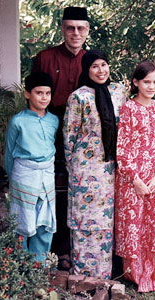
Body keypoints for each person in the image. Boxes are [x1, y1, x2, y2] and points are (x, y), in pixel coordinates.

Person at [32, 7, 90, 267]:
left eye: (80, 28)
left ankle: (70, 249)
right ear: (62, 29)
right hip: (50, 129)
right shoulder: (45, 58)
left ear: (87, 30)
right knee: (50, 188)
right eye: (70, 27)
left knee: (76, 189)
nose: (75, 33)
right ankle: (47, 247)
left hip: (84, 134)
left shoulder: (93, 61)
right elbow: (34, 98)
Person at [63, 49, 127, 279]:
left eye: (104, 64)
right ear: (86, 70)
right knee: (83, 222)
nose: (101, 71)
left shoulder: (119, 92)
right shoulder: (78, 97)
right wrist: (74, 168)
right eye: (94, 66)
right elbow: (69, 136)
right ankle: (82, 275)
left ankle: (103, 277)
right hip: (84, 171)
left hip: (110, 169)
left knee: (105, 222)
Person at [115, 61, 155, 292]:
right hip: (132, 179)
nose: (151, 86)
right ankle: (135, 274)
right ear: (136, 82)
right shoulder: (127, 108)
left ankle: (154, 273)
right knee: (134, 225)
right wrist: (134, 180)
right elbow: (121, 148)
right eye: (146, 82)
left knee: (154, 224)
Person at [5, 72, 59, 262]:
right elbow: (9, 153)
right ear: (27, 94)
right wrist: (13, 182)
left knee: (45, 221)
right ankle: (20, 267)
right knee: (22, 221)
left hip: (47, 174)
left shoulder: (53, 120)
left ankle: (40, 267)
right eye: (39, 93)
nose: (44, 97)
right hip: (24, 175)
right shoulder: (17, 121)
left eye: (47, 93)